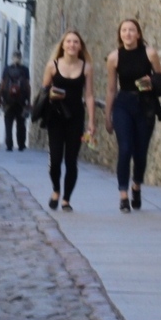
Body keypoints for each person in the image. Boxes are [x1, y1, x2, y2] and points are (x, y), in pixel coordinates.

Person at [106, 19, 161, 213]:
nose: (128, 33)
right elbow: (111, 88)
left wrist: (151, 80)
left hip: (145, 105)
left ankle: (136, 185)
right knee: (125, 149)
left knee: (140, 152)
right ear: (120, 34)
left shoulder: (150, 53)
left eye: (132, 30)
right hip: (123, 104)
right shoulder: (114, 57)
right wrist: (108, 115)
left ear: (138, 34)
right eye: (124, 30)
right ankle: (123, 195)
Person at [39, 30, 97, 212]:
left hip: (75, 117)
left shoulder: (86, 67)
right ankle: (56, 189)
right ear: (62, 45)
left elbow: (89, 95)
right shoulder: (52, 65)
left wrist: (91, 121)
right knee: (55, 159)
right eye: (69, 41)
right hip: (55, 116)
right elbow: (43, 90)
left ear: (80, 46)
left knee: (71, 160)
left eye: (76, 42)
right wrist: (51, 94)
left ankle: (66, 199)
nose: (72, 45)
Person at [0, 53, 31, 151]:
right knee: (21, 123)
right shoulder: (25, 69)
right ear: (21, 58)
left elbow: (3, 84)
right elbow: (27, 85)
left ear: (12, 58)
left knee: (8, 123)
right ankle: (21, 144)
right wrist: (29, 100)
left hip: (8, 100)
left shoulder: (6, 69)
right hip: (21, 101)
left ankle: (9, 144)